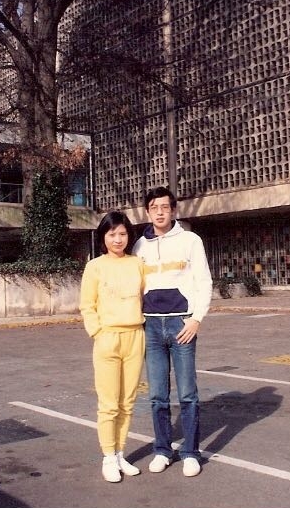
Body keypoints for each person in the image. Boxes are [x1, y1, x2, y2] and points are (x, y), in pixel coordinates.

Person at [132, 186, 212, 477]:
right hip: (150, 325)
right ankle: (163, 450)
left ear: (174, 210)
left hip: (181, 324)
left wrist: (196, 319)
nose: (160, 212)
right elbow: (135, 287)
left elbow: (204, 280)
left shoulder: (190, 240)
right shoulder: (138, 246)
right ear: (148, 211)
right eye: (154, 207)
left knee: (188, 394)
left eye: (165, 207)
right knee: (157, 395)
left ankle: (191, 452)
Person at [80, 211, 146, 483]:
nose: (117, 239)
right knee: (108, 404)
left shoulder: (137, 263)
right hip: (108, 338)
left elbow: (147, 295)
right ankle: (108, 457)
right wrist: (98, 332)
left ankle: (120, 453)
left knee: (127, 403)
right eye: (112, 234)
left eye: (122, 233)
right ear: (103, 237)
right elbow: (87, 305)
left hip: (135, 337)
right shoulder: (95, 266)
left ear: (129, 235)